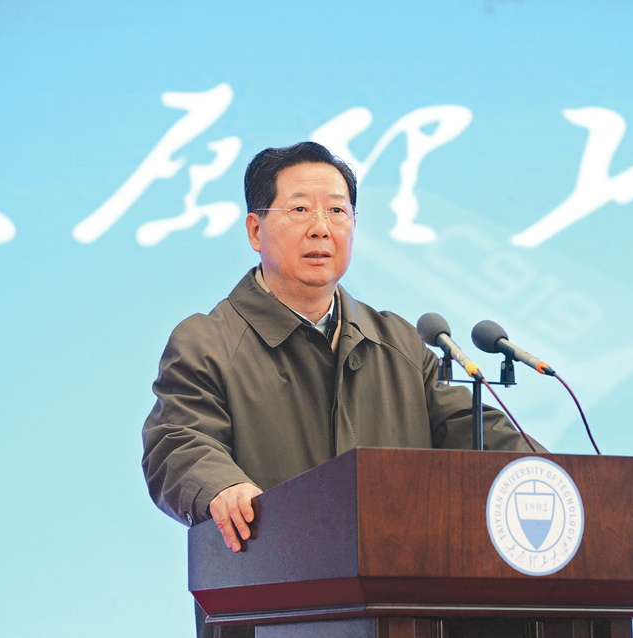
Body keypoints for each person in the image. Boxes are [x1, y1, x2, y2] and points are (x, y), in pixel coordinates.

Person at [141, 141, 545, 637]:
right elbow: (177, 441)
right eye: (300, 210)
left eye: (337, 211)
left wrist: (559, 480)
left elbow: (474, 431)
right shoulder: (208, 342)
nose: (321, 228)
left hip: (404, 613)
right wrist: (221, 487)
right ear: (255, 230)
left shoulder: (397, 342)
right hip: (272, 614)